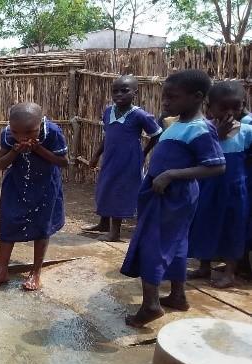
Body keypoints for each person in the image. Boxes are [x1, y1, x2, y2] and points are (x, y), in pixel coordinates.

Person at [121, 70, 226, 328]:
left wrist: (170, 174)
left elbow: (216, 166)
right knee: (177, 244)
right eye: (164, 96)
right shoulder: (177, 123)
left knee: (151, 246)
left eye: (172, 97)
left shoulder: (200, 129)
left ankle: (151, 305)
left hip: (173, 195)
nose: (165, 101)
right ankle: (177, 296)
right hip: (165, 194)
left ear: (197, 97)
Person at [0, 103, 69, 292]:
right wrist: (15, 150)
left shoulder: (52, 132)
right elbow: (2, 164)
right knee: (8, 223)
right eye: (16, 132)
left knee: (42, 226)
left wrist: (39, 150)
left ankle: (36, 271)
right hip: (16, 185)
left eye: (30, 132)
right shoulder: (7, 134)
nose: (22, 137)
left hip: (46, 185)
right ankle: (2, 270)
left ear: (41, 123)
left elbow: (64, 162)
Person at [187, 81, 252, 288]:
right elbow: (191, 154)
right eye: (223, 107)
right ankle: (204, 266)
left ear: (244, 105)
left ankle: (230, 271)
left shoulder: (247, 131)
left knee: (233, 227)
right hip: (207, 187)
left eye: (237, 106)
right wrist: (217, 135)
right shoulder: (203, 129)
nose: (230, 112)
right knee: (203, 223)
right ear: (209, 107)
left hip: (235, 190)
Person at [84, 75, 162, 242]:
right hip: (111, 159)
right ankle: (103, 223)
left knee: (119, 192)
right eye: (115, 91)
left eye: (124, 91)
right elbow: (108, 136)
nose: (119, 94)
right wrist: (97, 155)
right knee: (105, 188)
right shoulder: (108, 111)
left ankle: (115, 233)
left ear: (135, 92)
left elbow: (156, 134)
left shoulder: (140, 115)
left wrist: (144, 152)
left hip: (129, 161)